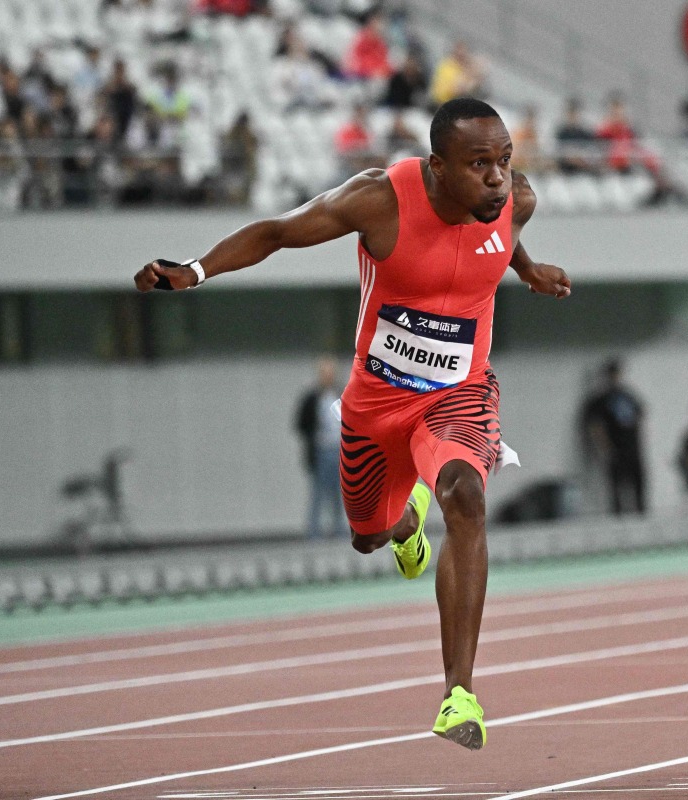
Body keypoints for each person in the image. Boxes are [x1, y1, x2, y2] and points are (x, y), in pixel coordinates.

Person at [133, 97, 572, 751]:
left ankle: (459, 694)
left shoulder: (516, 199)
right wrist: (194, 271)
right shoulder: (379, 201)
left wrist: (527, 268)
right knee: (369, 536)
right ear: (437, 167)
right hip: (376, 406)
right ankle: (404, 525)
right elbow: (277, 232)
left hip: (460, 393)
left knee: (466, 498)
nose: (497, 178)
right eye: (479, 164)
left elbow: (501, 234)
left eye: (505, 160)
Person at [580, 359, 647, 514]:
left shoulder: (627, 395)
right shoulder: (600, 400)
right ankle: (619, 518)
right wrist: (605, 448)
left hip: (632, 448)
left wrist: (639, 443)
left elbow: (639, 417)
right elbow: (596, 426)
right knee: (617, 490)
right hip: (616, 449)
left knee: (638, 486)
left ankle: (641, 514)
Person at [296, 358, 348, 539]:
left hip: (339, 449)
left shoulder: (340, 395)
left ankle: (339, 527)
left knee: (339, 492)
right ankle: (314, 529)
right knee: (318, 492)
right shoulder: (312, 398)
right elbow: (302, 423)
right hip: (321, 450)